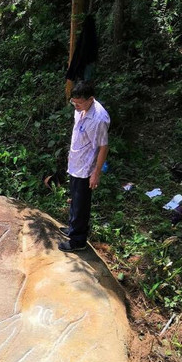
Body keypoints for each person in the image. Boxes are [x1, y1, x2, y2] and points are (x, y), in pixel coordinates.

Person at [59, 81, 110, 252]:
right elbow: (77, 133)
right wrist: (70, 154)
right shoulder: (79, 109)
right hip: (76, 162)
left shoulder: (99, 119)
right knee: (74, 199)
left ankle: (78, 241)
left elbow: (103, 146)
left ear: (91, 99)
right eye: (74, 102)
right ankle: (73, 229)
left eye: (79, 103)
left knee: (81, 204)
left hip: (86, 167)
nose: (76, 106)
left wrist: (96, 173)